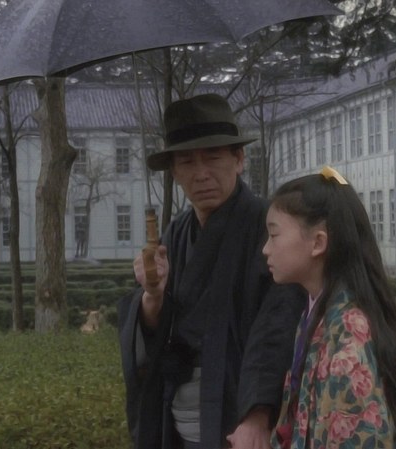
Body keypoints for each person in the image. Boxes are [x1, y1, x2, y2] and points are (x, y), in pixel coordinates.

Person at [118, 93, 305, 449]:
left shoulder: (267, 228)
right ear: (174, 172)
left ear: (239, 159)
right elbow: (156, 335)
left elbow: (279, 324)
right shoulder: (176, 233)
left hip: (241, 417)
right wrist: (152, 295)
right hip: (179, 420)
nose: (201, 173)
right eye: (187, 161)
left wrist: (258, 414)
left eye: (213, 157)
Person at [262, 166, 396, 448]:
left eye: (274, 235)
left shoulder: (350, 340)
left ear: (318, 242)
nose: (265, 248)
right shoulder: (317, 315)